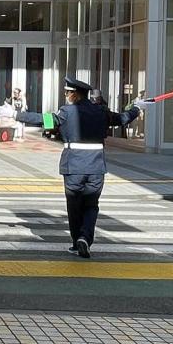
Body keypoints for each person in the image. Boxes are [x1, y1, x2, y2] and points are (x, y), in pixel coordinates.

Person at [17, 76, 144, 258]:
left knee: (74, 206)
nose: (66, 96)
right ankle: (85, 237)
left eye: (67, 93)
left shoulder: (67, 112)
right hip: (96, 167)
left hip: (74, 167)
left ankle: (77, 242)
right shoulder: (101, 111)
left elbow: (44, 120)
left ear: (75, 94)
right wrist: (136, 109)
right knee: (91, 206)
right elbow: (122, 118)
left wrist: (16, 115)